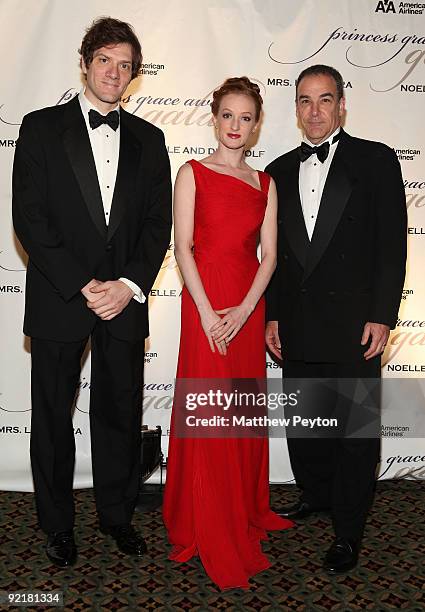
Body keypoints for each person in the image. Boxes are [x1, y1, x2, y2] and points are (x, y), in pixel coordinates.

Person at [12, 17, 172, 567]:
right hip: (61, 297)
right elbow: (29, 219)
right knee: (53, 415)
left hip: (124, 302)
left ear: (134, 75)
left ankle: (116, 515)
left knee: (120, 413)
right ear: (84, 64)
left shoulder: (152, 141)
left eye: (126, 64)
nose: (115, 72)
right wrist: (85, 285)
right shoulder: (39, 127)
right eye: (106, 59)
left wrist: (127, 286)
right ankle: (57, 525)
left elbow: (158, 225)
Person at [265, 64, 407, 574]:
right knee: (305, 424)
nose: (315, 111)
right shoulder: (278, 171)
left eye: (325, 100)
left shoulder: (376, 160)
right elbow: (276, 256)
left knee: (354, 433)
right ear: (296, 108)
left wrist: (382, 316)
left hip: (354, 325)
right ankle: (316, 496)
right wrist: (273, 316)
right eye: (305, 101)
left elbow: (392, 248)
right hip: (298, 323)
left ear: (342, 106)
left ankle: (349, 530)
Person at [162, 77, 293, 590]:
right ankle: (203, 519)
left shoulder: (266, 184)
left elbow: (271, 256)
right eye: (227, 116)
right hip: (204, 307)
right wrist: (210, 313)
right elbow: (182, 247)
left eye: (246, 118)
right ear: (213, 117)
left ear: (255, 124)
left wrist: (244, 311)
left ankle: (241, 509)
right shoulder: (191, 173)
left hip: (246, 306)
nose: (235, 126)